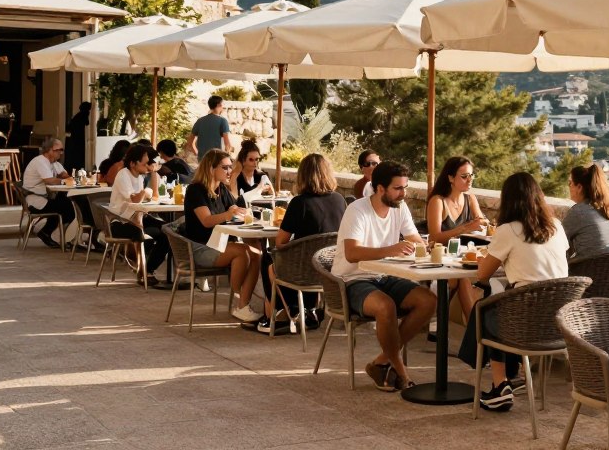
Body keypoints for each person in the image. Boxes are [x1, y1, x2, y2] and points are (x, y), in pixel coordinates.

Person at [457, 172, 570, 411]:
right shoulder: (557, 227)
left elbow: (482, 274)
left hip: (525, 324)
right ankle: (506, 379)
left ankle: (500, 385)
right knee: (495, 307)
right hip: (558, 323)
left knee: (484, 311)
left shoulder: (508, 230)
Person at [332, 160, 436, 392]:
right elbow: (352, 254)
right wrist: (391, 249)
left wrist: (421, 245)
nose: (404, 193)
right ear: (380, 189)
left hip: (385, 275)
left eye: (405, 187)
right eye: (398, 188)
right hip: (352, 279)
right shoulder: (357, 210)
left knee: (428, 301)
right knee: (385, 307)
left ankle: (380, 362)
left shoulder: (400, 208)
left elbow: (414, 238)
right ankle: (401, 371)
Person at [258, 153, 347, 334]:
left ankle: (275, 314)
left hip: (303, 269)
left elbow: (281, 241)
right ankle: (307, 310)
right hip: (330, 266)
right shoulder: (339, 200)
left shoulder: (300, 203)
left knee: (268, 257)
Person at [182, 149, 262, 323]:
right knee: (242, 252)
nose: (229, 171)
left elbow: (235, 211)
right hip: (201, 247)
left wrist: (241, 212)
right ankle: (240, 300)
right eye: (225, 168)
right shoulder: (196, 190)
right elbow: (206, 221)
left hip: (221, 243)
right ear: (211, 168)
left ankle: (243, 304)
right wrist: (228, 215)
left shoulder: (222, 190)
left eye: (230, 168)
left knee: (256, 252)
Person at [427, 155, 488, 320]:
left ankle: (476, 330)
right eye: (464, 176)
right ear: (451, 178)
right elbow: (435, 237)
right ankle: (475, 330)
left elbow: (482, 221)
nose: (469, 180)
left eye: (471, 175)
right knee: (461, 277)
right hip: (443, 260)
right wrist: (465, 228)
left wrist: (480, 224)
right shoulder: (438, 201)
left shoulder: (470, 199)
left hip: (465, 258)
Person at [108, 143, 171, 286]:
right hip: (120, 222)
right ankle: (141, 270)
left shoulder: (139, 177)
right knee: (141, 233)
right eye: (144, 164)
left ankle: (148, 270)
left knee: (168, 231)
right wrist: (145, 192)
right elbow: (135, 199)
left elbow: (154, 196)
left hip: (137, 217)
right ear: (132, 163)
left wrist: (154, 173)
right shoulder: (123, 174)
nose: (147, 166)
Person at [563, 164, 609, 259]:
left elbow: (559, 242)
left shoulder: (579, 212)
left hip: (586, 271)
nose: (569, 187)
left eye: (570, 183)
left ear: (579, 187)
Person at [21, 137, 75, 248]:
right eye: (58, 150)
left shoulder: (53, 163)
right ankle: (59, 236)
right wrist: (65, 181)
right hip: (36, 201)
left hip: (46, 197)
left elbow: (65, 174)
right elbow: (49, 180)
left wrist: (67, 178)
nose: (61, 153)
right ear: (50, 150)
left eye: (62, 150)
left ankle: (55, 234)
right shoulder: (40, 161)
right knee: (69, 208)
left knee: (69, 202)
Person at [186, 95, 232, 161]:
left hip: (202, 160)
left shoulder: (200, 121)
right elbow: (227, 145)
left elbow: (190, 142)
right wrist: (226, 159)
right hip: (216, 160)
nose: (223, 107)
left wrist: (198, 154)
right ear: (219, 105)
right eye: (222, 104)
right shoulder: (222, 121)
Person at [64, 101, 91, 172]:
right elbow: (87, 123)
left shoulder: (78, 115)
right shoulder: (83, 114)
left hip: (75, 137)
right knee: (77, 154)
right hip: (77, 137)